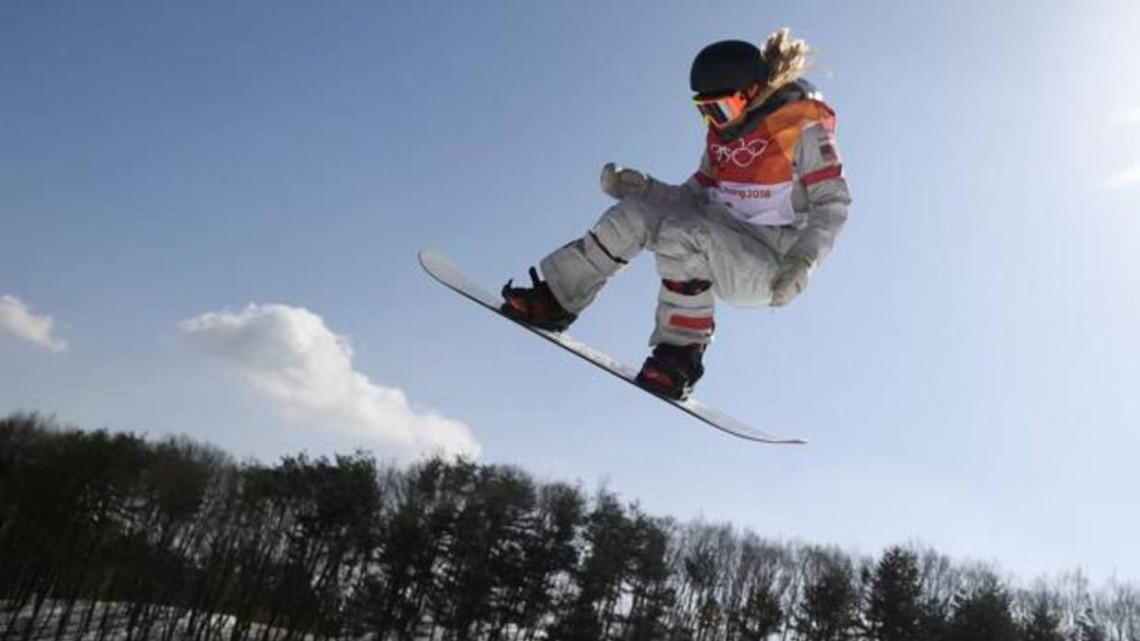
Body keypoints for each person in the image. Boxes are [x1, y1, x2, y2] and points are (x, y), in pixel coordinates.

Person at [501, 28, 851, 401]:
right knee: (636, 215)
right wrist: (645, 189)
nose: (715, 122)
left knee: (684, 235)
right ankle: (556, 298)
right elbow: (692, 198)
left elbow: (833, 204)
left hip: (772, 265)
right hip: (722, 238)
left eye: (720, 110)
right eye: (705, 113)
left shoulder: (800, 130)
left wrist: (802, 261)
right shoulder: (724, 140)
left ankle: (680, 356)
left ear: (750, 93)